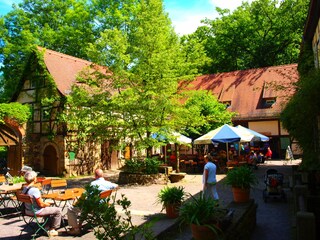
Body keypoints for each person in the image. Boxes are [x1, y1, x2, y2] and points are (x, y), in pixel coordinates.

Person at [67, 168, 118, 235]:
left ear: (95, 176)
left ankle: (75, 229)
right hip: (103, 206)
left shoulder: (92, 184)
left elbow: (84, 195)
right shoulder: (107, 183)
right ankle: (79, 225)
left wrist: (77, 202)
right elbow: (117, 186)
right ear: (102, 175)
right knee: (86, 205)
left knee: (71, 209)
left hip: (92, 208)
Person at [22, 171, 62, 237]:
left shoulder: (25, 189)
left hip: (27, 211)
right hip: (36, 211)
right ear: (34, 179)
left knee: (47, 210)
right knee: (58, 210)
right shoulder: (35, 190)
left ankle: (46, 227)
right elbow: (41, 205)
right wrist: (48, 204)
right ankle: (53, 229)